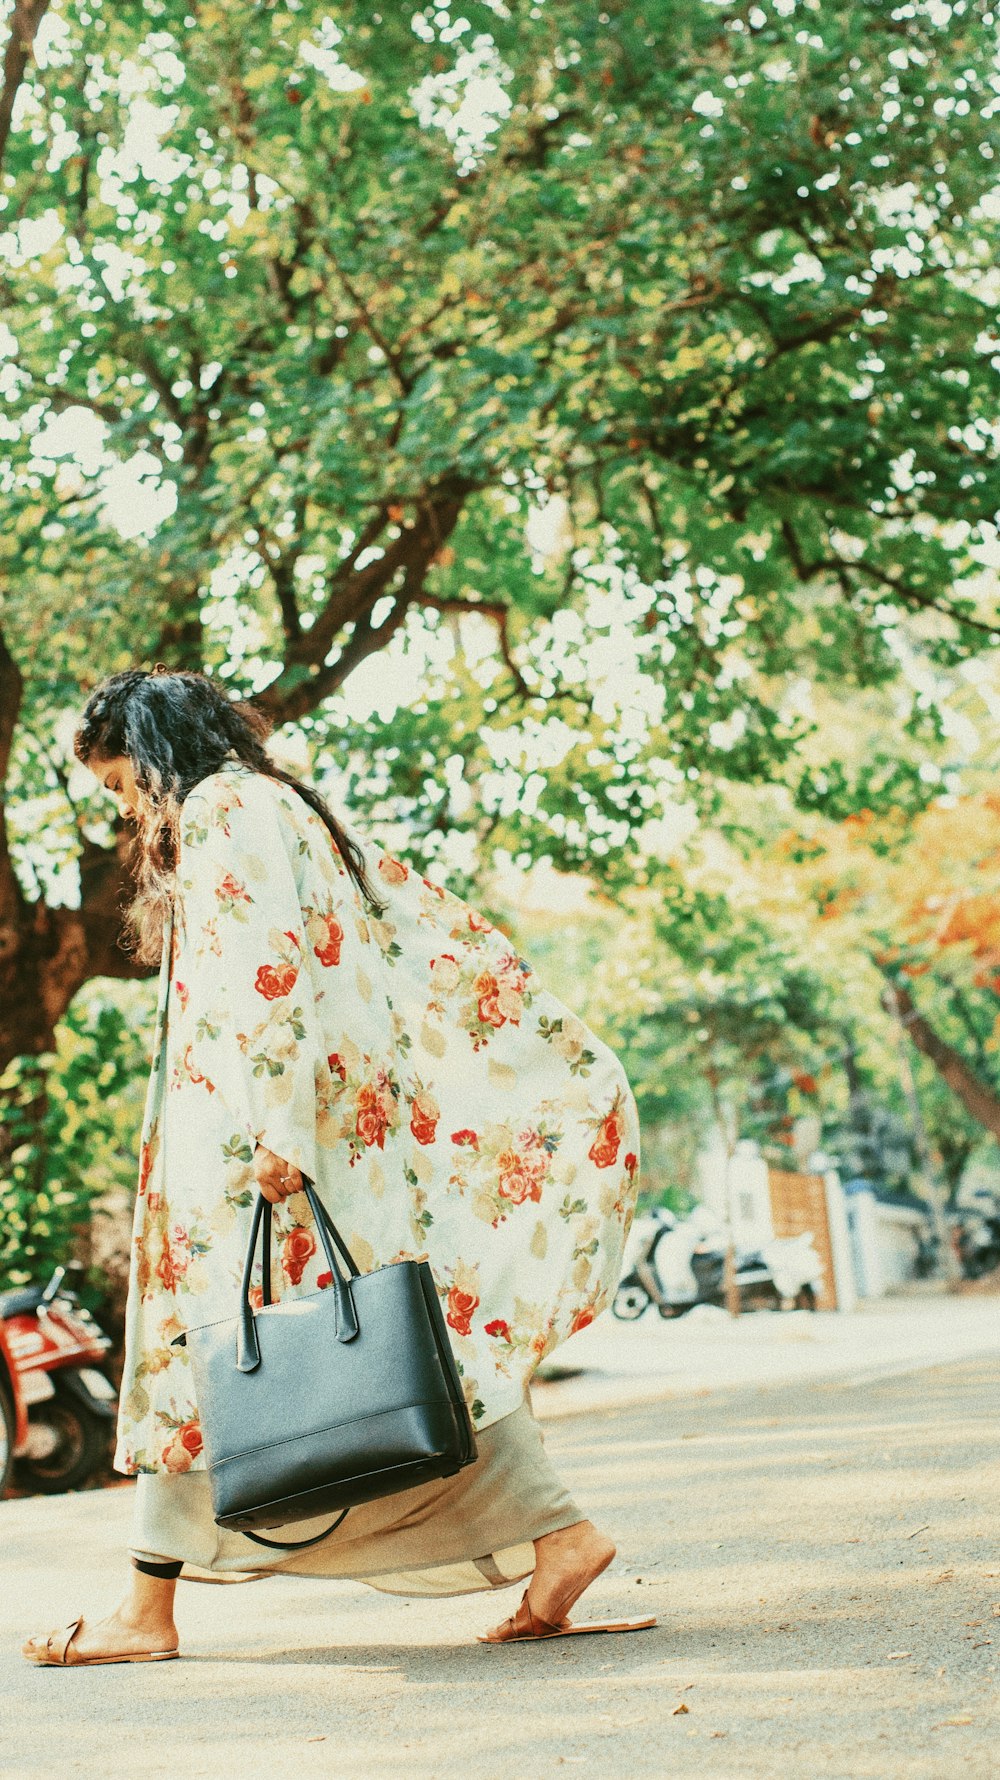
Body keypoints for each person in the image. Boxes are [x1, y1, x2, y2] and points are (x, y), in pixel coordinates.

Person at [23, 667, 653, 1666]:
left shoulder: (225, 810)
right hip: (308, 1132)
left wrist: (276, 1128)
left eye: (119, 784)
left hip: (255, 1143)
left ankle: (145, 1610)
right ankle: (558, 1531)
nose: (126, 807)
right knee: (365, 1362)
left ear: (151, 751)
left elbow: (263, 974)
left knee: (227, 1358)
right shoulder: (278, 805)